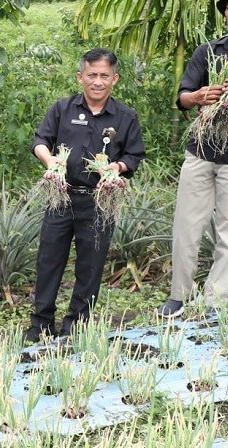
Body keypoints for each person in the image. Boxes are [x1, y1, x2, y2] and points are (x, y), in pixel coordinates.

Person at [157, 0, 228, 318]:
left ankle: (215, 301)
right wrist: (198, 96)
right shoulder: (208, 51)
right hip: (201, 150)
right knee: (186, 225)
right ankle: (179, 295)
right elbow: (182, 97)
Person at [23, 49, 145, 344]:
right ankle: (41, 324)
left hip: (100, 202)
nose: (98, 82)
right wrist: (49, 160)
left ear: (115, 79)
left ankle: (76, 324)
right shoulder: (63, 109)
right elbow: (41, 140)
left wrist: (117, 167)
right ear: (81, 77)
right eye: (92, 75)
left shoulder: (126, 117)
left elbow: (134, 155)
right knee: (49, 259)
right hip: (61, 197)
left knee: (90, 264)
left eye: (105, 75)